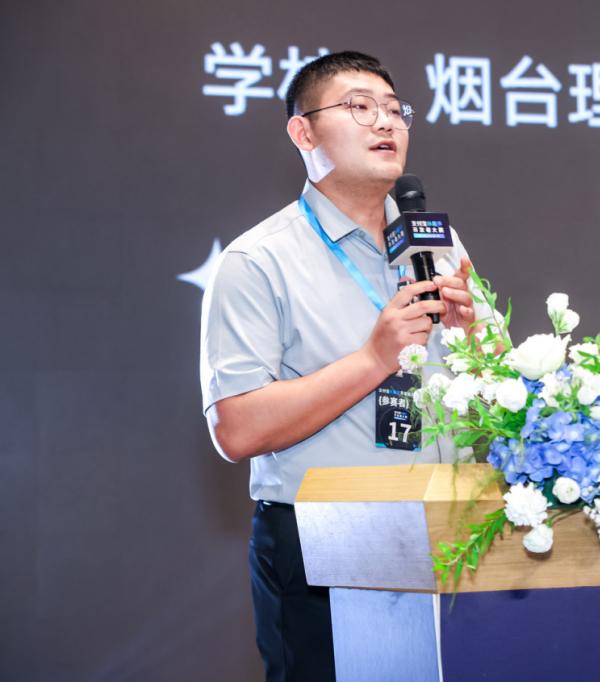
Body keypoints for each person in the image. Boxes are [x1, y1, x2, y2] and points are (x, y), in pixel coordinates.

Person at [199, 51, 480, 682]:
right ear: (303, 132)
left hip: (452, 534)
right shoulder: (258, 261)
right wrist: (374, 359)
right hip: (323, 543)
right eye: (359, 107)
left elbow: (494, 393)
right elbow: (235, 429)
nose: (385, 122)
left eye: (395, 110)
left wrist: (476, 341)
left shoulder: (437, 244)